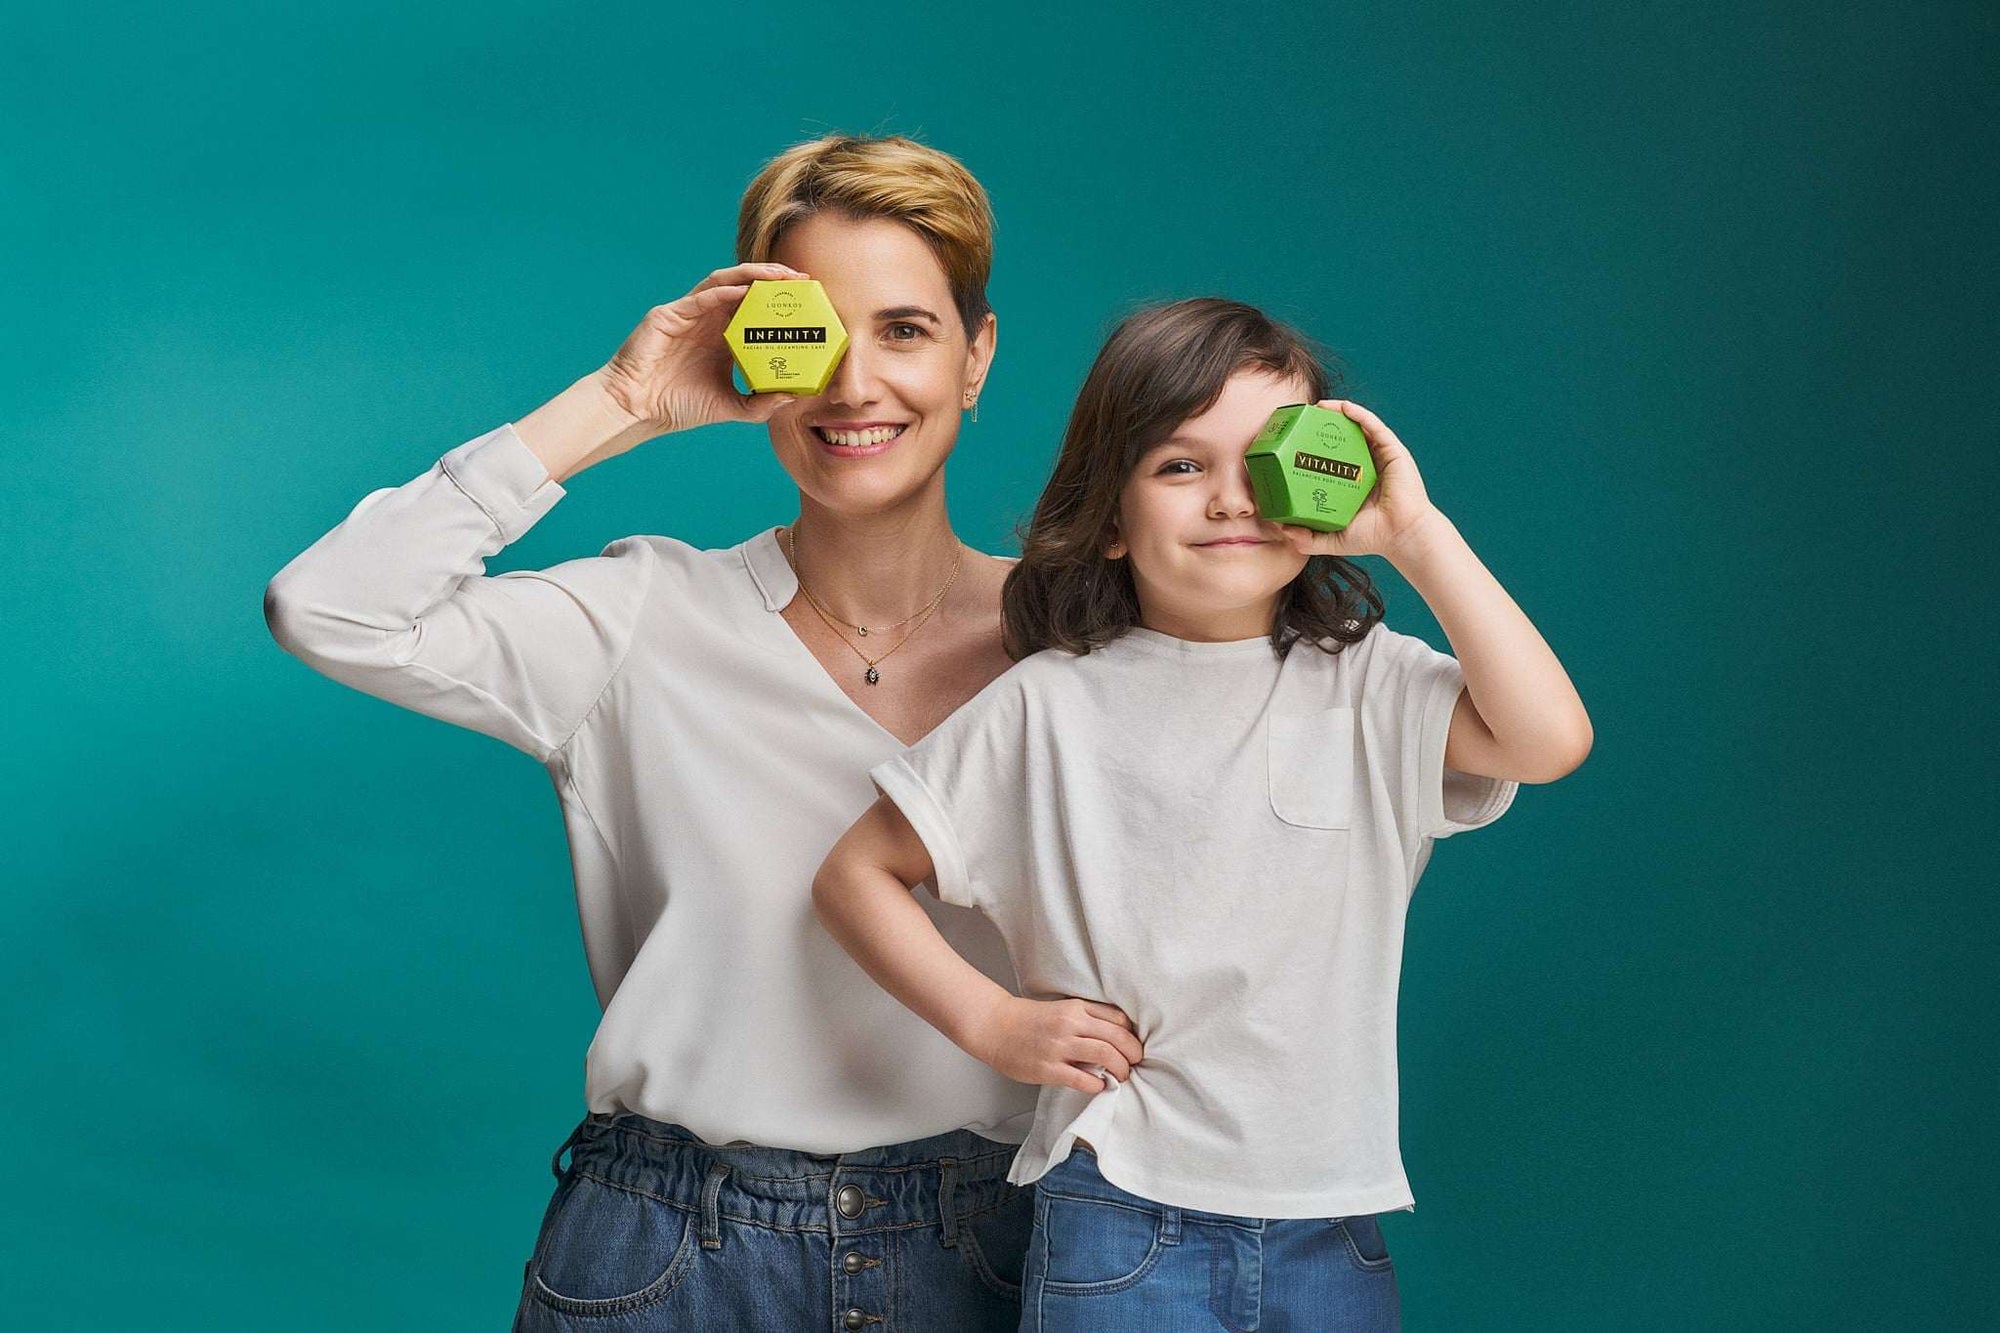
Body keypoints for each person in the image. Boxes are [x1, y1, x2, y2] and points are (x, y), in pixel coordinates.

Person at [264, 134, 1071, 1331]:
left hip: (995, 1246)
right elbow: (325, 607)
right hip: (673, 1251)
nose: (853, 386)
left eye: (903, 330)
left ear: (976, 356)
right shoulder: (639, 615)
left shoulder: (1079, 641)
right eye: (815, 334)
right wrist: (622, 401)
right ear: (754, 347)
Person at [811, 298, 1593, 1330]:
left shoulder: (1369, 685)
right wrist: (990, 1020)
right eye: (1180, 466)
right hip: (1119, 1207)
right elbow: (852, 874)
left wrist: (1414, 533)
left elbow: (1548, 741)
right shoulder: (1046, 705)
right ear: (1105, 515)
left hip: (1331, 1213)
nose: (1231, 500)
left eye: (1267, 461)